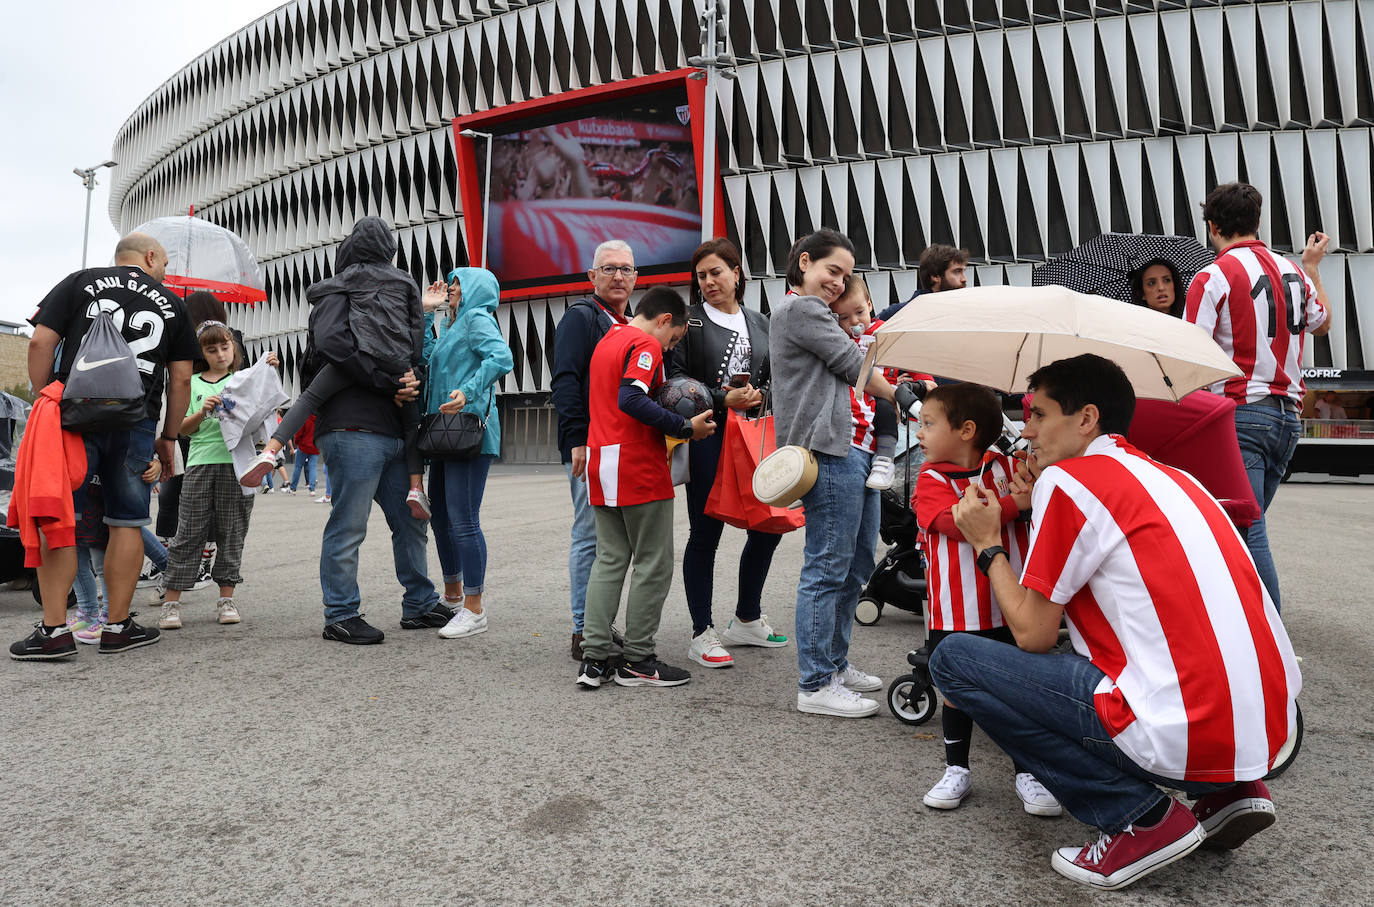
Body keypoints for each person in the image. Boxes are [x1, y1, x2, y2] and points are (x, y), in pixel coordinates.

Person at [932, 353, 1300, 891]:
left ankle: (1140, 817)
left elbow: (1033, 634)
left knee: (955, 661)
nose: (1026, 431)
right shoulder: (1178, 478)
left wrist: (989, 546)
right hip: (1274, 732)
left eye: (1037, 415)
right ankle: (1231, 791)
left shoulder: (1070, 480)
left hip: (1180, 733)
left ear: (1086, 419)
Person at [10, 233, 195, 660]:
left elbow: (40, 342)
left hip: (73, 417)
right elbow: (181, 379)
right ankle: (117, 626)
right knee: (126, 522)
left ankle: (54, 632)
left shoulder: (79, 281)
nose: (165, 272)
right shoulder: (173, 303)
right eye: (164, 263)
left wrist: (44, 400)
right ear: (150, 257)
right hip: (135, 422)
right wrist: (168, 439)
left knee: (62, 519)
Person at [908, 383, 1059, 816]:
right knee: (955, 691)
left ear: (967, 430)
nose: (919, 432)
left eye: (929, 424)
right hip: (956, 609)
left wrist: (1030, 489)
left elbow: (1038, 494)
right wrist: (1017, 502)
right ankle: (957, 767)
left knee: (1017, 691)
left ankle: (1027, 770)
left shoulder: (1007, 465)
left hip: (1013, 604)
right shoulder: (930, 478)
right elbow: (960, 523)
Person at [1184, 182, 1332, 610]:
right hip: (1288, 419)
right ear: (1256, 222)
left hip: (1241, 416)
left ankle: (1268, 636)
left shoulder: (1211, 276)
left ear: (1212, 226)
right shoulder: (1292, 271)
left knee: (1248, 531)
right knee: (1242, 527)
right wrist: (1313, 267)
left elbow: (1194, 356)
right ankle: (1244, 621)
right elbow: (1321, 323)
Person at [769, 229, 897, 717]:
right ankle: (816, 683)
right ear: (804, 263)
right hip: (829, 452)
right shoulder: (801, 309)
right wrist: (901, 395)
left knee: (857, 563)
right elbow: (851, 362)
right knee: (827, 566)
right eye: (832, 271)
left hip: (857, 449)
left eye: (846, 275)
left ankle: (835, 664)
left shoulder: (818, 311)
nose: (839, 283)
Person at [305, 222, 449, 644]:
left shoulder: (394, 291)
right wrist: (388, 381)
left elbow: (409, 348)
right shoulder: (337, 291)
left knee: (411, 520)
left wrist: (411, 378)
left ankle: (420, 603)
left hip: (393, 427)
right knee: (349, 525)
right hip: (351, 424)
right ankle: (341, 613)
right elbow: (331, 342)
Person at [575, 287, 716, 689]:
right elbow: (630, 398)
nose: (669, 348)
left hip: (603, 463)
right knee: (653, 564)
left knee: (609, 561)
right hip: (637, 464)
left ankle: (594, 658)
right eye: (673, 340)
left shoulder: (608, 339)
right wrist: (685, 427)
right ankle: (638, 659)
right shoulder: (643, 343)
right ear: (665, 320)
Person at [242, 217, 429, 519]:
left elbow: (316, 291)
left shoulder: (353, 274)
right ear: (389, 246)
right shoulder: (405, 280)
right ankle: (416, 487)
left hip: (363, 354)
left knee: (309, 399)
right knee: (411, 423)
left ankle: (269, 451)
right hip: (399, 361)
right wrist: (410, 365)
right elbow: (417, 324)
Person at [670, 238, 786, 670]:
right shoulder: (690, 322)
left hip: (755, 436)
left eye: (716, 272)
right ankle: (701, 632)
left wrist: (759, 395)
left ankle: (748, 618)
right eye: (701, 276)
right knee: (706, 533)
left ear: (737, 272)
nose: (708, 282)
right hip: (709, 436)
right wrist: (724, 398)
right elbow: (675, 381)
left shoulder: (761, 321)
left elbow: (774, 375)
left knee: (768, 524)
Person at [157, 323, 276, 630]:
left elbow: (266, 408)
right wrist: (202, 411)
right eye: (211, 349)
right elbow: (181, 428)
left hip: (239, 465)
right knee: (188, 532)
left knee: (232, 532)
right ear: (202, 353)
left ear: (234, 348)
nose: (220, 354)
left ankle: (226, 598)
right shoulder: (191, 383)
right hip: (200, 463)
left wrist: (268, 369)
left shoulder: (243, 380)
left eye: (225, 347)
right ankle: (171, 604)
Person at [551, 239, 636, 661]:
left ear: (636, 277)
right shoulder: (580, 319)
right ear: (592, 277)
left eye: (625, 269)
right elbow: (565, 383)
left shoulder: (630, 324)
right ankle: (583, 630)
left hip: (622, 449)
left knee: (614, 542)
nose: (618, 276)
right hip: (590, 448)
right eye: (609, 268)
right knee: (589, 536)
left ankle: (600, 624)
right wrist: (575, 440)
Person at [419, 267, 514, 640]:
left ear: (477, 289)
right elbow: (429, 364)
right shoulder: (451, 325)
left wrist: (467, 392)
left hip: (469, 431)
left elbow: (501, 358)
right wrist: (428, 313)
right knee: (440, 517)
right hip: (444, 432)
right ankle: (454, 597)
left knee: (463, 520)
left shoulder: (476, 318)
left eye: (458, 284)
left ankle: (474, 609)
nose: (452, 289)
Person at [829, 275, 900, 490]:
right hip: (853, 396)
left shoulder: (885, 332)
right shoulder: (840, 340)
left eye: (859, 312)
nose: (855, 322)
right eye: (844, 317)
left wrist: (923, 380)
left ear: (869, 304)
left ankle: (885, 461)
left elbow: (910, 358)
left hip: (883, 392)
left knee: (885, 411)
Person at [876, 244, 970, 321]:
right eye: (957, 271)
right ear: (935, 276)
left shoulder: (966, 310)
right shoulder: (898, 313)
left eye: (963, 271)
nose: (964, 279)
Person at [289, 414, 320, 494]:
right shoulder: (319, 418)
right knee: (312, 467)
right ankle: (312, 488)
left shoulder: (305, 418)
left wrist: (297, 442)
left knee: (298, 466)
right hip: (315, 446)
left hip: (304, 445)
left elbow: (299, 432)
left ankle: (293, 488)